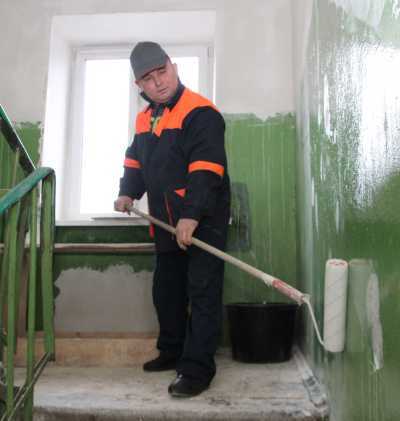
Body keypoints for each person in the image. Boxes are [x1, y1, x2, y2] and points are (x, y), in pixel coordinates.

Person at [114, 41, 230, 398]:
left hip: (203, 219)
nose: (158, 83)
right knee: (166, 290)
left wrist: (192, 216)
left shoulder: (201, 112)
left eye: (162, 72)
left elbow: (206, 169)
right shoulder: (145, 118)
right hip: (165, 220)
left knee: (202, 291)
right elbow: (135, 160)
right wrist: (128, 192)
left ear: (173, 66)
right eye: (148, 79)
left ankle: (196, 370)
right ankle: (172, 350)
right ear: (139, 85)